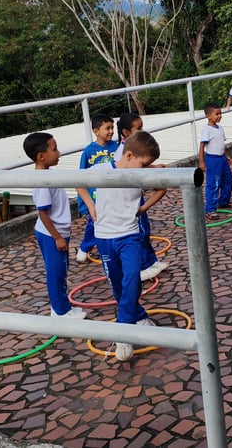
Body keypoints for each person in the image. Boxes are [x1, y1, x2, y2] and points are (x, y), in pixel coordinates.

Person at [91, 131, 165, 361]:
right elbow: (78, 183)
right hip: (104, 236)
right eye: (144, 164)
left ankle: (123, 331)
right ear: (130, 155)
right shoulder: (101, 169)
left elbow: (162, 185)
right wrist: (90, 207)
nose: (145, 168)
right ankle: (138, 315)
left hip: (130, 235)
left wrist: (144, 208)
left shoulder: (140, 172)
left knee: (132, 276)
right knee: (116, 282)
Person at [22, 132, 86, 320]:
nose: (59, 153)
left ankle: (63, 306)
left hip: (58, 232)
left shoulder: (49, 175)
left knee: (61, 270)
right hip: (51, 234)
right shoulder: (41, 182)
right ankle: (59, 311)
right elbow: (43, 213)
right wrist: (57, 237)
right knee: (55, 272)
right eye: (55, 149)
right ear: (41, 156)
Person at [113, 112, 168, 282]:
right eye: (139, 128)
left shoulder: (133, 149)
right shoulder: (121, 152)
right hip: (129, 202)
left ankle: (150, 261)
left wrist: (154, 167)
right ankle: (142, 266)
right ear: (126, 132)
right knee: (137, 234)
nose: (142, 131)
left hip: (136, 197)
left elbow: (141, 166)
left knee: (145, 231)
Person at [75, 114, 119, 264]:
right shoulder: (88, 151)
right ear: (96, 130)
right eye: (107, 128)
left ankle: (111, 246)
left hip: (113, 193)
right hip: (96, 196)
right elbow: (81, 178)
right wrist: (84, 202)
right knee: (94, 222)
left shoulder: (117, 147)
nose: (111, 131)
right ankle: (85, 247)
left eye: (112, 128)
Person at [198, 102, 232, 221]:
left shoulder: (220, 128)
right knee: (213, 184)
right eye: (216, 114)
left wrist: (227, 156)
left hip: (222, 159)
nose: (219, 116)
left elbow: (221, 144)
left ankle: (224, 201)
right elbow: (202, 146)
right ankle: (210, 209)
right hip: (212, 160)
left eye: (220, 113)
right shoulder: (206, 129)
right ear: (209, 115)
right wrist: (202, 162)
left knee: (228, 179)